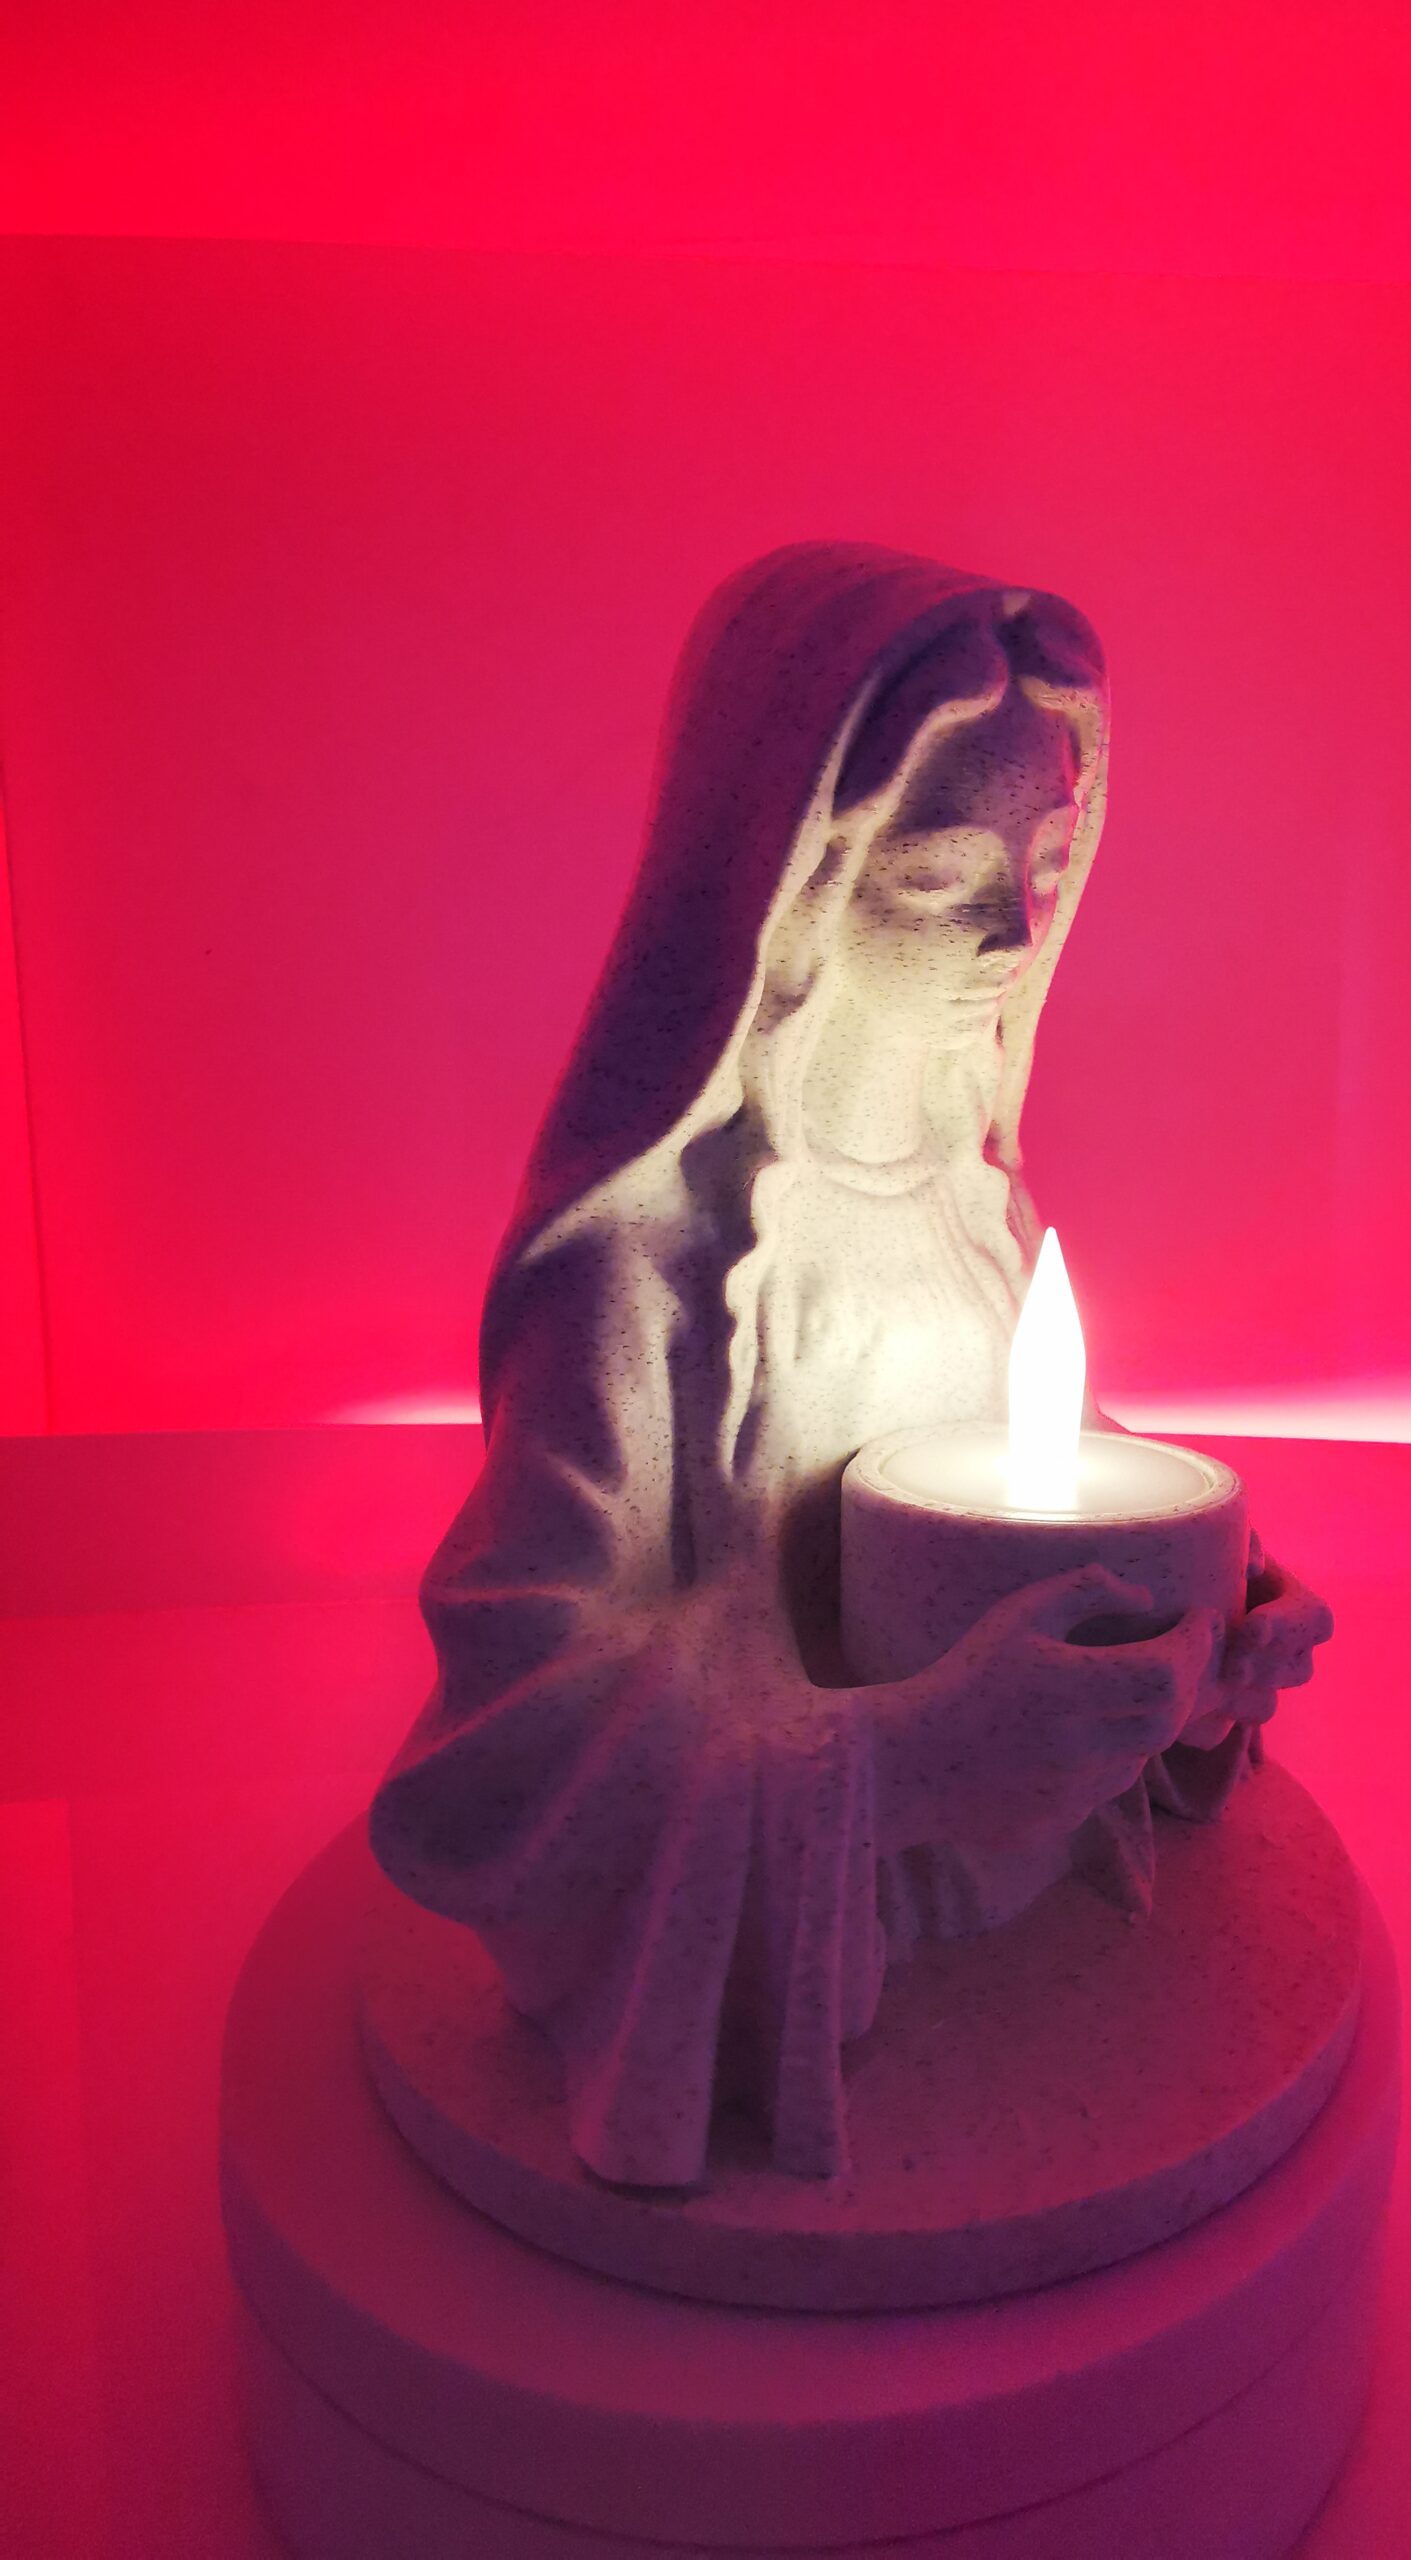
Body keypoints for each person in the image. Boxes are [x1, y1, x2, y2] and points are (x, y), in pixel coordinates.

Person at [370, 543, 1331, 2186]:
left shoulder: (984, 1214)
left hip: (1044, 1956)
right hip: (842, 1987)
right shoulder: (646, 1284)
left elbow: (1066, 1501)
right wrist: (899, 1761)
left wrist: (1204, 1642)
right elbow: (502, 1747)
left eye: (1049, 863)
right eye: (947, 877)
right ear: (792, 892)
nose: (1015, 931)